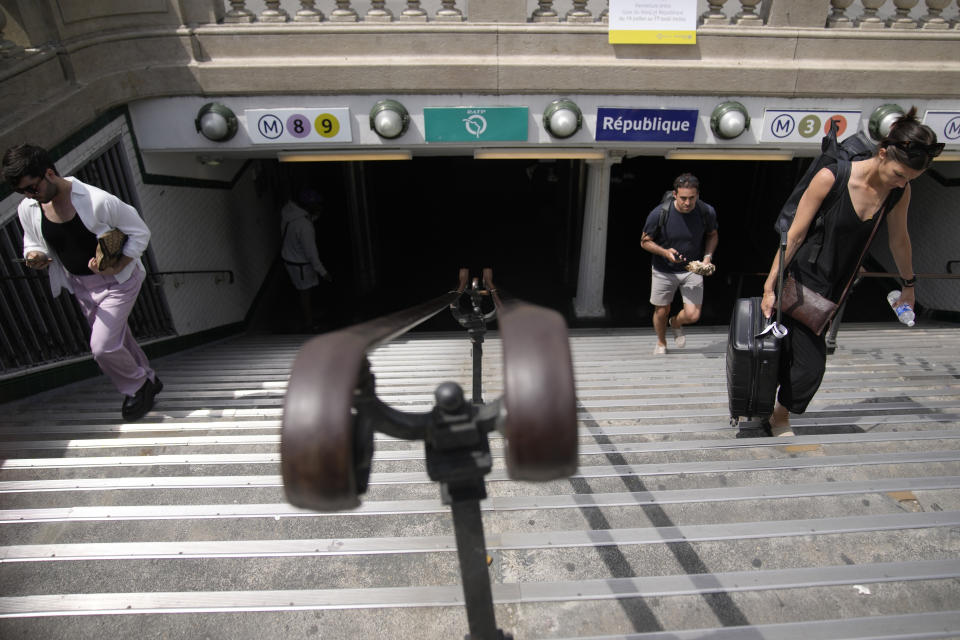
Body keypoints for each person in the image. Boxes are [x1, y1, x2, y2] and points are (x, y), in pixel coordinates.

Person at [760, 108, 942, 437]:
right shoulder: (833, 176)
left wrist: (910, 285)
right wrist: (770, 285)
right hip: (802, 279)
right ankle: (779, 415)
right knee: (809, 362)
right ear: (883, 153)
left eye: (909, 179)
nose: (901, 182)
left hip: (837, 285)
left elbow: (900, 240)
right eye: (899, 174)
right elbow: (795, 235)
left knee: (789, 353)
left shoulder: (899, 191)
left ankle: (768, 408)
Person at [3, 143, 161, 421]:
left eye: (32, 188)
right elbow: (32, 240)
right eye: (22, 192)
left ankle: (138, 386)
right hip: (80, 284)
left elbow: (139, 232)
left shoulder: (97, 200)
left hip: (119, 282)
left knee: (102, 346)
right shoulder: (29, 207)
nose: (29, 196)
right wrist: (34, 254)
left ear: (49, 173)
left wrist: (121, 262)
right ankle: (148, 378)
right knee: (118, 338)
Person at [640, 173, 719, 355]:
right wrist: (665, 252)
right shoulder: (659, 213)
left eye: (692, 198)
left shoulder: (706, 211)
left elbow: (713, 234)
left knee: (693, 315)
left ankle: (675, 323)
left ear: (697, 195)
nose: (687, 203)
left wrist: (707, 257)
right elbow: (644, 241)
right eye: (683, 198)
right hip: (663, 269)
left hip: (692, 268)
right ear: (675, 195)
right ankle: (661, 342)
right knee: (661, 310)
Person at [280, 188, 332, 331]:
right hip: (300, 264)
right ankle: (309, 323)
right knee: (305, 293)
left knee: (303, 292)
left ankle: (309, 315)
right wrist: (323, 272)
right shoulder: (305, 226)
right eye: (317, 206)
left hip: (289, 258)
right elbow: (311, 253)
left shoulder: (288, 211)